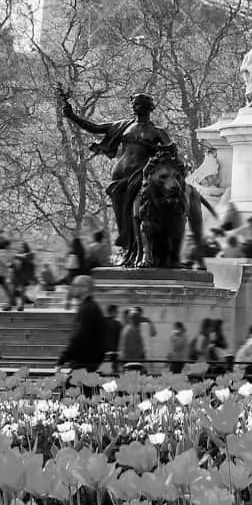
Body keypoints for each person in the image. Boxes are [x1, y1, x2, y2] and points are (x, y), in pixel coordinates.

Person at [55, 91, 185, 265]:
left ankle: (142, 250)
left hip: (141, 173)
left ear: (147, 108)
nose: (135, 107)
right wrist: (72, 116)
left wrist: (148, 145)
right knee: (121, 213)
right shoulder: (123, 125)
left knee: (138, 210)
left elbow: (171, 151)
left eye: (138, 105)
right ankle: (128, 247)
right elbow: (95, 127)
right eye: (134, 104)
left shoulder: (157, 131)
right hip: (120, 176)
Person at [56, 276, 112, 372]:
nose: (72, 288)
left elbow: (78, 337)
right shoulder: (91, 308)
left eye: (75, 285)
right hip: (89, 364)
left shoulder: (87, 310)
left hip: (84, 365)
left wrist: (63, 358)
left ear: (85, 288)